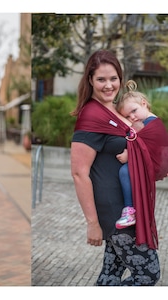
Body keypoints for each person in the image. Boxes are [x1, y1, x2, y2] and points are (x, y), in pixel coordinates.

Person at [70, 49, 168, 286]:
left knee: (110, 275)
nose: (108, 85)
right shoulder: (90, 116)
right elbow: (79, 173)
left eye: (113, 78)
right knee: (147, 275)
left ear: (120, 79)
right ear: (90, 80)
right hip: (116, 214)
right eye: (101, 79)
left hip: (128, 209)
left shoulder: (118, 108)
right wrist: (92, 224)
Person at [114, 80, 157, 229]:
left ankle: (129, 211)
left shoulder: (151, 123)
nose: (132, 117)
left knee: (125, 171)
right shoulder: (143, 122)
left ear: (144, 103)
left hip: (147, 165)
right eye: (128, 116)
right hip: (144, 164)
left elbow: (147, 148)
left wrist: (129, 156)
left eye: (134, 111)